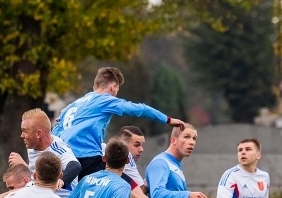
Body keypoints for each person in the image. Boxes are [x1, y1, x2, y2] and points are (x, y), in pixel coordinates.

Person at [52, 66, 185, 179]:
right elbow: (140, 109)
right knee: (117, 186)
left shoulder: (73, 105)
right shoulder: (105, 100)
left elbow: (55, 131)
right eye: (117, 89)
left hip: (64, 158)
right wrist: (168, 120)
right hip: (86, 157)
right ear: (113, 86)